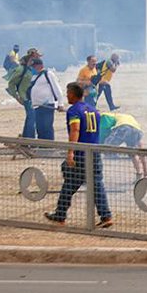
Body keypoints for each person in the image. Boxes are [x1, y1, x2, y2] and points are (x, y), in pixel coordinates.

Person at [44, 82, 113, 228]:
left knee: (69, 184)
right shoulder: (94, 110)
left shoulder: (74, 111)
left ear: (74, 94)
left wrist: (71, 152)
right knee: (97, 184)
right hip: (94, 152)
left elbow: (75, 130)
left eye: (68, 92)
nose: (67, 95)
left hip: (81, 153)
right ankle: (106, 215)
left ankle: (60, 215)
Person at [99, 111, 147, 180]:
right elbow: (141, 147)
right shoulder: (128, 117)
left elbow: (103, 131)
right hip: (137, 130)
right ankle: (143, 173)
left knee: (105, 147)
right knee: (134, 152)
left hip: (123, 127)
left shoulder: (104, 115)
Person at [27, 57, 64, 140]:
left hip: (47, 106)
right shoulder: (34, 76)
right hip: (37, 106)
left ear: (40, 66)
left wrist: (60, 104)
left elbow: (57, 89)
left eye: (34, 66)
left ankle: (49, 146)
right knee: (40, 128)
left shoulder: (48, 74)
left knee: (47, 127)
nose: (33, 68)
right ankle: (42, 146)